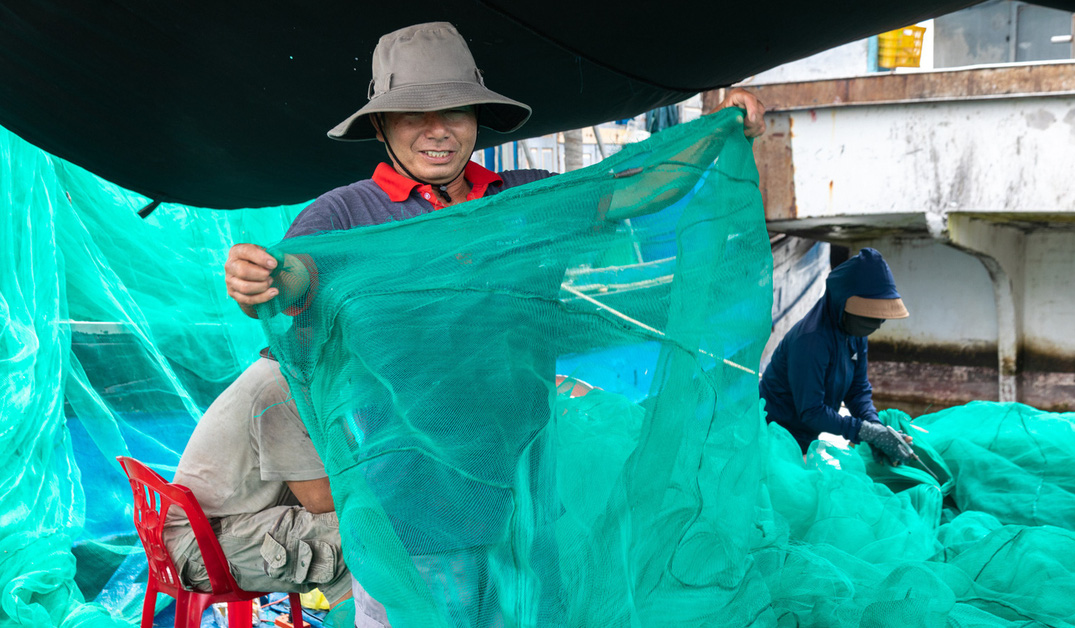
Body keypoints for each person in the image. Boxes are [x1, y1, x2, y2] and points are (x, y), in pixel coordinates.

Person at [219, 21, 765, 627]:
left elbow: (642, 189)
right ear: (379, 126)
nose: (437, 130)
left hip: (523, 499)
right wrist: (259, 278)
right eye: (411, 114)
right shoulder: (346, 215)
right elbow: (295, 278)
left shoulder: (525, 202)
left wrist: (717, 131)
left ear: (478, 116)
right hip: (410, 507)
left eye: (455, 110)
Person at [163, 354, 352, 606]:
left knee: (363, 527)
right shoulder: (279, 389)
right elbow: (319, 500)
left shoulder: (284, 373)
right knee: (358, 534)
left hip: (220, 524)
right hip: (201, 547)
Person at [759, 247, 916, 465]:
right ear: (842, 304)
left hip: (806, 440)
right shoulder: (811, 341)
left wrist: (876, 428)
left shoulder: (855, 333)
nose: (877, 324)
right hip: (773, 437)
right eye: (869, 315)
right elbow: (811, 411)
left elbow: (858, 390)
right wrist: (863, 431)